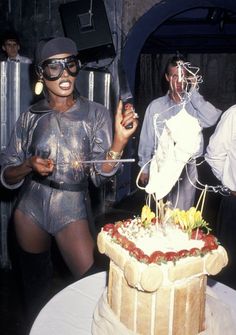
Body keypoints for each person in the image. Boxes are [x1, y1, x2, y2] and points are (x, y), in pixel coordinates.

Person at [0, 36, 138, 324]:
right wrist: (27, 165)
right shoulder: (29, 117)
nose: (64, 74)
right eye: (54, 67)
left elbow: (100, 173)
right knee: (35, 290)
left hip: (71, 210)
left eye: (71, 65)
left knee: (92, 290)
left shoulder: (96, 114)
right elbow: (6, 173)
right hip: (30, 211)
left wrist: (119, 143)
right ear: (40, 72)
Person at [137, 55, 222, 210]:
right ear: (167, 77)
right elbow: (147, 139)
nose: (179, 81)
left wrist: (194, 93)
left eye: (183, 76)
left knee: (181, 217)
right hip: (160, 166)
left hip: (187, 169)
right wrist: (144, 168)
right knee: (158, 216)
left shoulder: (195, 106)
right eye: (175, 76)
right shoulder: (155, 107)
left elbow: (213, 118)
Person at [205, 106, 236, 289]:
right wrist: (230, 183)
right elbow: (214, 155)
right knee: (228, 270)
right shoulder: (234, 114)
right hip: (234, 205)